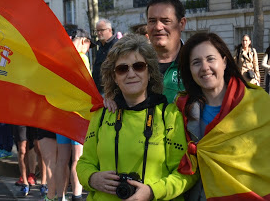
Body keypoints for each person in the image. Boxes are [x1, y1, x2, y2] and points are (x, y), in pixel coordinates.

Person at [76, 34, 197, 200]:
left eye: (138, 66)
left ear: (149, 72)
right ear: (114, 77)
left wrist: (152, 192)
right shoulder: (102, 114)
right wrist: (92, 178)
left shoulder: (169, 116)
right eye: (122, 69)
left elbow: (186, 173)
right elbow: (84, 163)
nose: (131, 73)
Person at [176, 32, 270, 199]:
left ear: (225, 61)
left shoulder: (259, 103)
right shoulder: (181, 109)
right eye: (196, 62)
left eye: (211, 59)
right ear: (189, 70)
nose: (205, 67)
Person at [55, 27, 95, 201]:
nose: (88, 49)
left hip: (61, 112)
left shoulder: (59, 57)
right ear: (83, 41)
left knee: (61, 158)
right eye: (88, 45)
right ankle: (77, 196)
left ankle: (60, 196)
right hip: (78, 113)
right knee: (77, 158)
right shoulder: (82, 58)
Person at [92, 18, 118, 95]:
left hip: (111, 91)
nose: (99, 33)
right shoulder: (100, 46)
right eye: (97, 31)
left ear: (110, 30)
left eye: (102, 30)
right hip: (99, 90)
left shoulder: (116, 45)